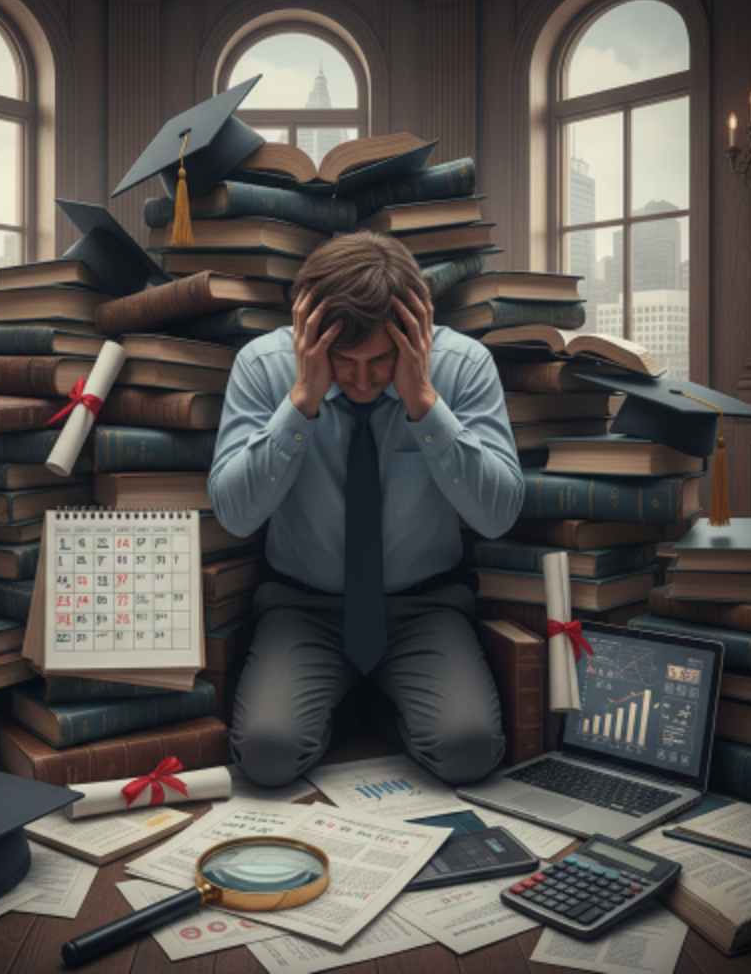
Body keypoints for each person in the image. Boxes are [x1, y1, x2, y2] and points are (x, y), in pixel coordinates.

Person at [208, 231, 524, 787]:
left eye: (380, 359)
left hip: (422, 610)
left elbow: (499, 515)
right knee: (267, 755)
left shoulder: (463, 366)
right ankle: (353, 705)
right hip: (303, 609)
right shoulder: (262, 368)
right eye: (343, 360)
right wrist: (302, 399)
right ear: (307, 332)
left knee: (470, 751)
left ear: (416, 330)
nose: (360, 379)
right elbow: (235, 515)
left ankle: (374, 708)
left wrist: (424, 402)